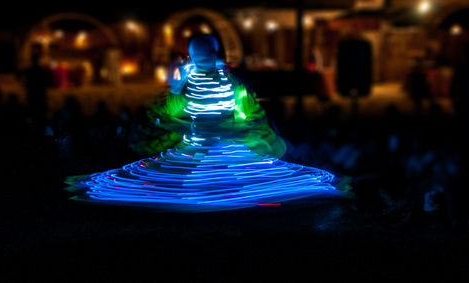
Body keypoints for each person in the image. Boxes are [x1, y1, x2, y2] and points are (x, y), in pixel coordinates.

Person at [65, 35, 342, 212]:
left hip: (226, 146)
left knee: (230, 181)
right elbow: (170, 110)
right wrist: (176, 90)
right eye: (198, 57)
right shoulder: (188, 82)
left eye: (207, 55)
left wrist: (242, 127)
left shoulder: (230, 82)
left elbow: (249, 112)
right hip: (197, 146)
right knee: (197, 181)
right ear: (194, 56)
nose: (203, 62)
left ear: (214, 53)